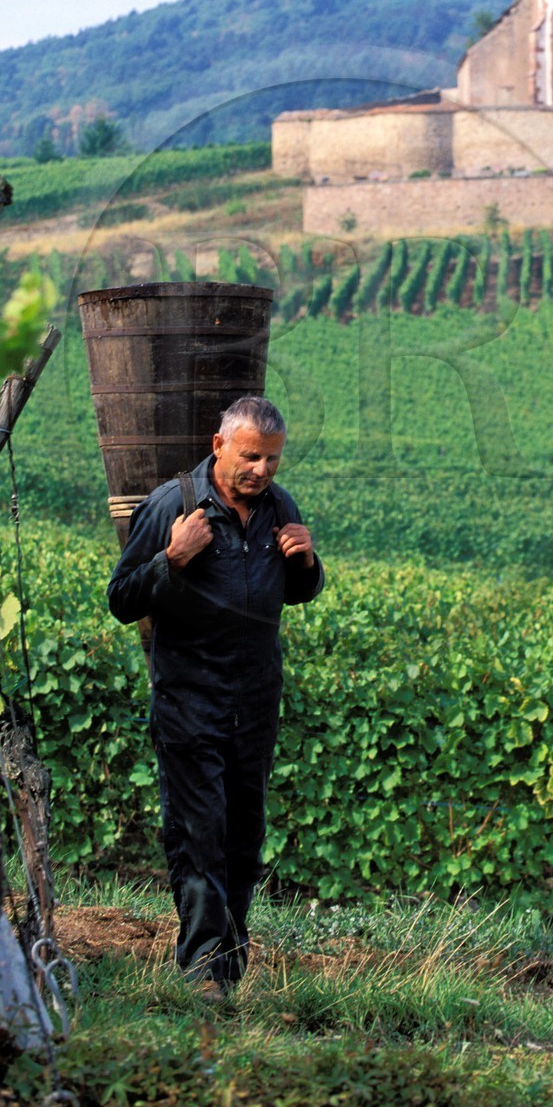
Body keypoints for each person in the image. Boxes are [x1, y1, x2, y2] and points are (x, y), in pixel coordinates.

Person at [106, 396, 324, 997]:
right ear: (218, 445)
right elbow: (122, 598)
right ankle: (206, 972)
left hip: (254, 703)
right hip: (188, 700)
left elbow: (297, 590)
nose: (261, 471)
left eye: (272, 461)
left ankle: (230, 962)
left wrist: (307, 565)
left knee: (243, 837)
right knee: (200, 833)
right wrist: (171, 559)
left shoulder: (280, 507)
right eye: (250, 456)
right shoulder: (172, 504)